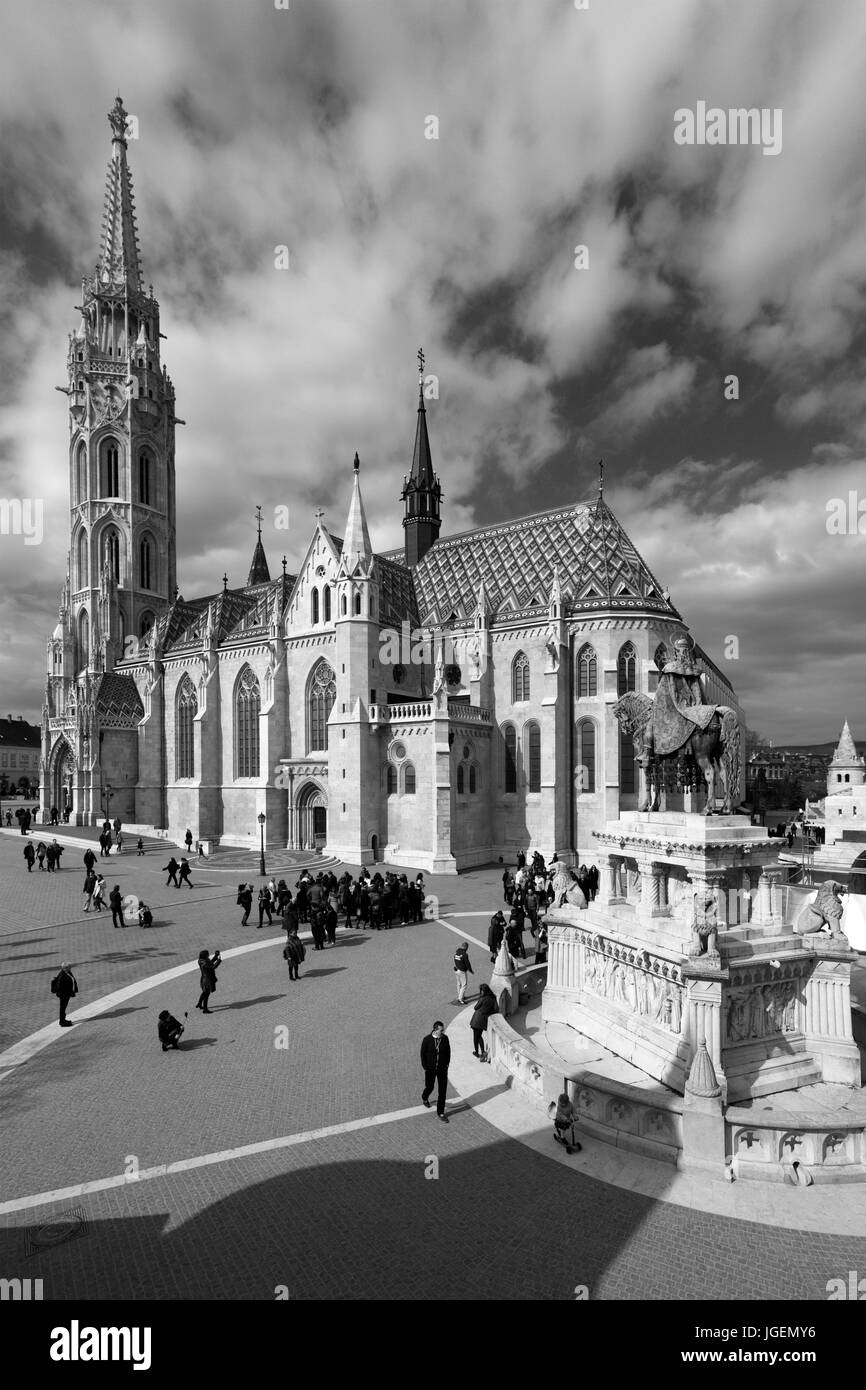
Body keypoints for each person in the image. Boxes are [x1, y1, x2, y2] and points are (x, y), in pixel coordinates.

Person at [420, 1021, 451, 1121]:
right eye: (441, 1030)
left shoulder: (445, 1038)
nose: (443, 1032)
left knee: (442, 1091)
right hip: (430, 1069)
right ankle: (425, 1097)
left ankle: (441, 1112)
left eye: (443, 1030)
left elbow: (448, 1052)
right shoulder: (427, 1040)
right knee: (430, 1087)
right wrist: (426, 1067)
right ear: (435, 1029)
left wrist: (447, 1064)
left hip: (442, 1069)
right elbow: (422, 1054)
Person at [469, 983, 498, 1060]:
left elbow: (475, 1007)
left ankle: (477, 1052)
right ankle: (482, 1052)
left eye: (481, 991)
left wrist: (480, 999)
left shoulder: (482, 998)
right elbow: (496, 1009)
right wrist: (488, 1011)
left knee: (476, 1037)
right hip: (484, 1020)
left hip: (477, 1019)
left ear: (484, 991)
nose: (481, 992)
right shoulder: (493, 998)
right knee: (479, 1035)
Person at [51, 961, 78, 1027]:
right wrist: (67, 992)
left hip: (66, 994)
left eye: (70, 967)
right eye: (69, 967)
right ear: (64, 968)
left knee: (63, 1008)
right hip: (64, 995)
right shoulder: (62, 975)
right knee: (62, 1008)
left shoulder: (68, 972)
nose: (70, 968)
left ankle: (63, 1020)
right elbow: (59, 986)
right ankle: (62, 1022)